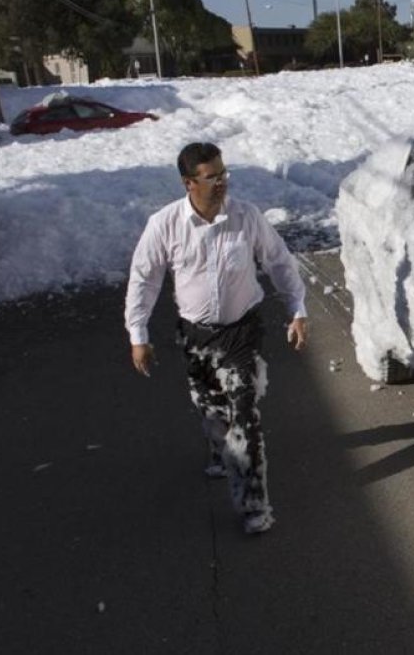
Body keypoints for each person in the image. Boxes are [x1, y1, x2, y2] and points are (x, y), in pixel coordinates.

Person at [125, 142, 308, 535]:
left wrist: (297, 309)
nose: (223, 182)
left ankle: (254, 505)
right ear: (189, 182)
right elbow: (144, 279)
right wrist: (138, 334)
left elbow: (278, 260)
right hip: (196, 336)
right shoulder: (165, 224)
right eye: (213, 177)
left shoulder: (246, 217)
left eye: (225, 173)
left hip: (243, 329)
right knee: (211, 410)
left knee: (244, 413)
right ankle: (216, 445)